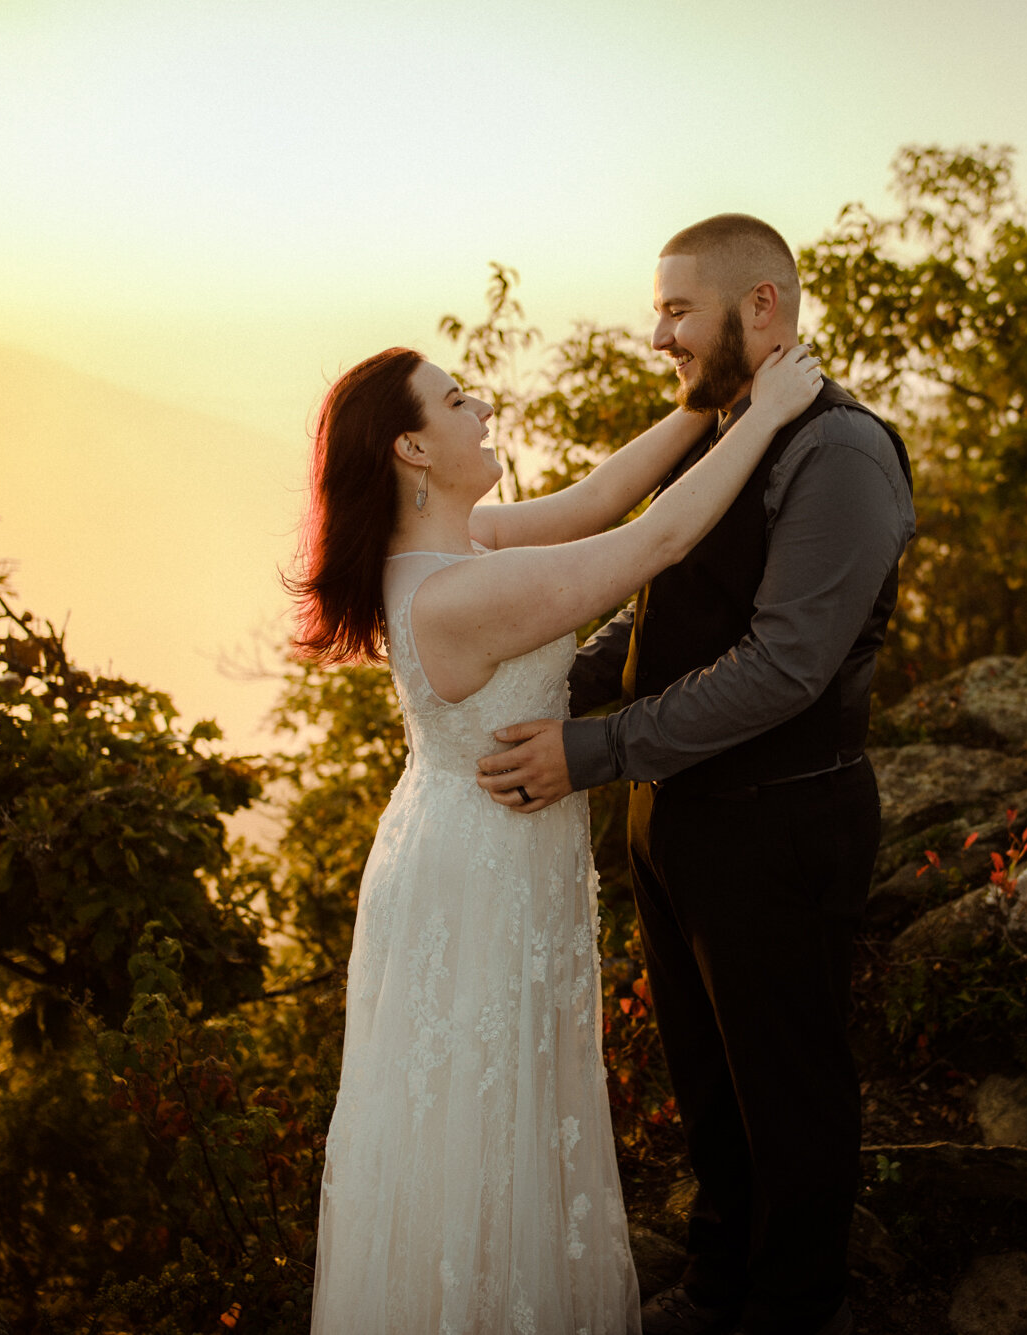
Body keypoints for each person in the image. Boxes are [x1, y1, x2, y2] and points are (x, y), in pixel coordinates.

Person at [292, 334, 824, 1333]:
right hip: (479, 859)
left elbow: (591, 501)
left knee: (501, 1099)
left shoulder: (457, 547)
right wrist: (766, 417)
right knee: (480, 1117)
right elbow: (650, 542)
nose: (480, 409)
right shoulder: (459, 591)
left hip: (476, 834)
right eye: (455, 403)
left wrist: (702, 405)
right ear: (410, 449)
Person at [476, 215, 916, 1335]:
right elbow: (668, 604)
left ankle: (792, 1305)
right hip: (673, 819)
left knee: (789, 1091)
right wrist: (557, 686)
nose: (657, 331)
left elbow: (782, 666)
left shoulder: (840, 454)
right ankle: (721, 1279)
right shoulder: (722, 427)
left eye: (678, 308)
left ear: (759, 305)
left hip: (777, 823)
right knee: (710, 1084)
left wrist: (593, 751)